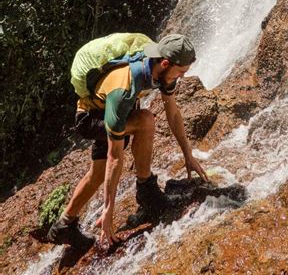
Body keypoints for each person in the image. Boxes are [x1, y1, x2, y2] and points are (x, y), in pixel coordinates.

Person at [47, 32, 208, 249]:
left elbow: (174, 114)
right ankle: (147, 192)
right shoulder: (123, 87)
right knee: (145, 121)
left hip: (111, 110)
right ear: (165, 63)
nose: (180, 78)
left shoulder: (161, 71)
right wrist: (108, 210)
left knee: (97, 173)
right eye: (180, 73)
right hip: (92, 117)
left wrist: (188, 155)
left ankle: (64, 225)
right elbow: (116, 157)